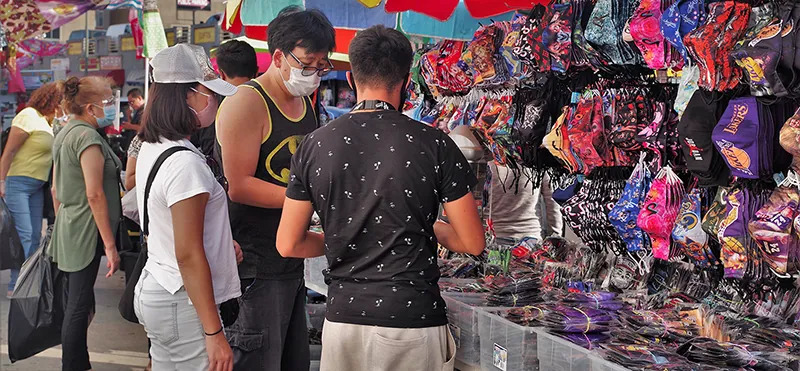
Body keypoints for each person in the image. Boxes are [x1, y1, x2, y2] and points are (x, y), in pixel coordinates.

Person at [276, 25, 486, 371]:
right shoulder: (435, 143)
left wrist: (345, 233)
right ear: (406, 81)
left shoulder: (313, 145)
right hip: (412, 320)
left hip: (344, 322)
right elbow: (472, 241)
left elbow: (288, 243)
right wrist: (423, 225)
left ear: (351, 77)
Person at [216, 6, 335, 371]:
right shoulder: (246, 103)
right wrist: (305, 203)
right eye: (307, 63)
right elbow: (239, 186)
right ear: (279, 56)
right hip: (255, 265)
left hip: (291, 258)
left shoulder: (304, 101)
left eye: (321, 65)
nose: (314, 73)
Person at [133, 43, 242, 370]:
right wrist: (214, 332)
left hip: (160, 285)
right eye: (210, 92)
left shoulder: (155, 145)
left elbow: (171, 228)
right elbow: (188, 253)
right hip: (181, 300)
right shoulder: (185, 162)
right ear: (189, 95)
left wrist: (221, 247)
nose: (216, 101)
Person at [51, 76, 122, 371]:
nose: (111, 106)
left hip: (70, 225)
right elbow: (94, 194)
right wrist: (109, 245)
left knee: (77, 305)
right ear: (91, 108)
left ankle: (80, 363)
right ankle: (74, 366)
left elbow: (56, 190)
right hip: (86, 230)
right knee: (78, 308)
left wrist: (61, 223)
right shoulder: (88, 138)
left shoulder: (65, 132)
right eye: (107, 102)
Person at [0, 81, 63, 295]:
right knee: (24, 235)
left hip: (36, 185)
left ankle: (29, 281)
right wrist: (1, 182)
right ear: (52, 101)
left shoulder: (46, 122)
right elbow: (8, 151)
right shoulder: (27, 116)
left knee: (35, 235)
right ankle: (18, 284)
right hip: (17, 182)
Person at [191, 39, 259, 160]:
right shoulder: (269, 100)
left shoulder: (210, 105)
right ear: (257, 72)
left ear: (221, 74)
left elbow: (208, 148)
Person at [489, 164, 564, 242]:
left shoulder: (487, 158)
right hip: (529, 236)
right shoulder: (539, 159)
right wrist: (555, 237)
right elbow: (552, 201)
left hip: (494, 236)